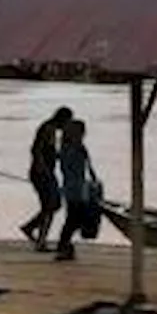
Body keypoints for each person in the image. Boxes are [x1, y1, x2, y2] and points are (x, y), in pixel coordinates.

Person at [20, 107, 73, 251]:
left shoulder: (51, 129)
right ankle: (40, 241)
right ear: (62, 119)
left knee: (54, 204)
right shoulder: (47, 128)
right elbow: (36, 149)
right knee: (50, 205)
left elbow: (47, 151)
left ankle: (31, 227)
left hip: (47, 172)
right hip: (42, 173)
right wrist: (41, 166)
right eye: (68, 121)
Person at [55, 119, 98, 262]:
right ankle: (63, 246)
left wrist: (94, 181)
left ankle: (65, 246)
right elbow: (69, 167)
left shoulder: (76, 147)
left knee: (75, 218)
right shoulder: (69, 148)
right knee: (73, 218)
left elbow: (88, 167)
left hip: (79, 186)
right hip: (73, 187)